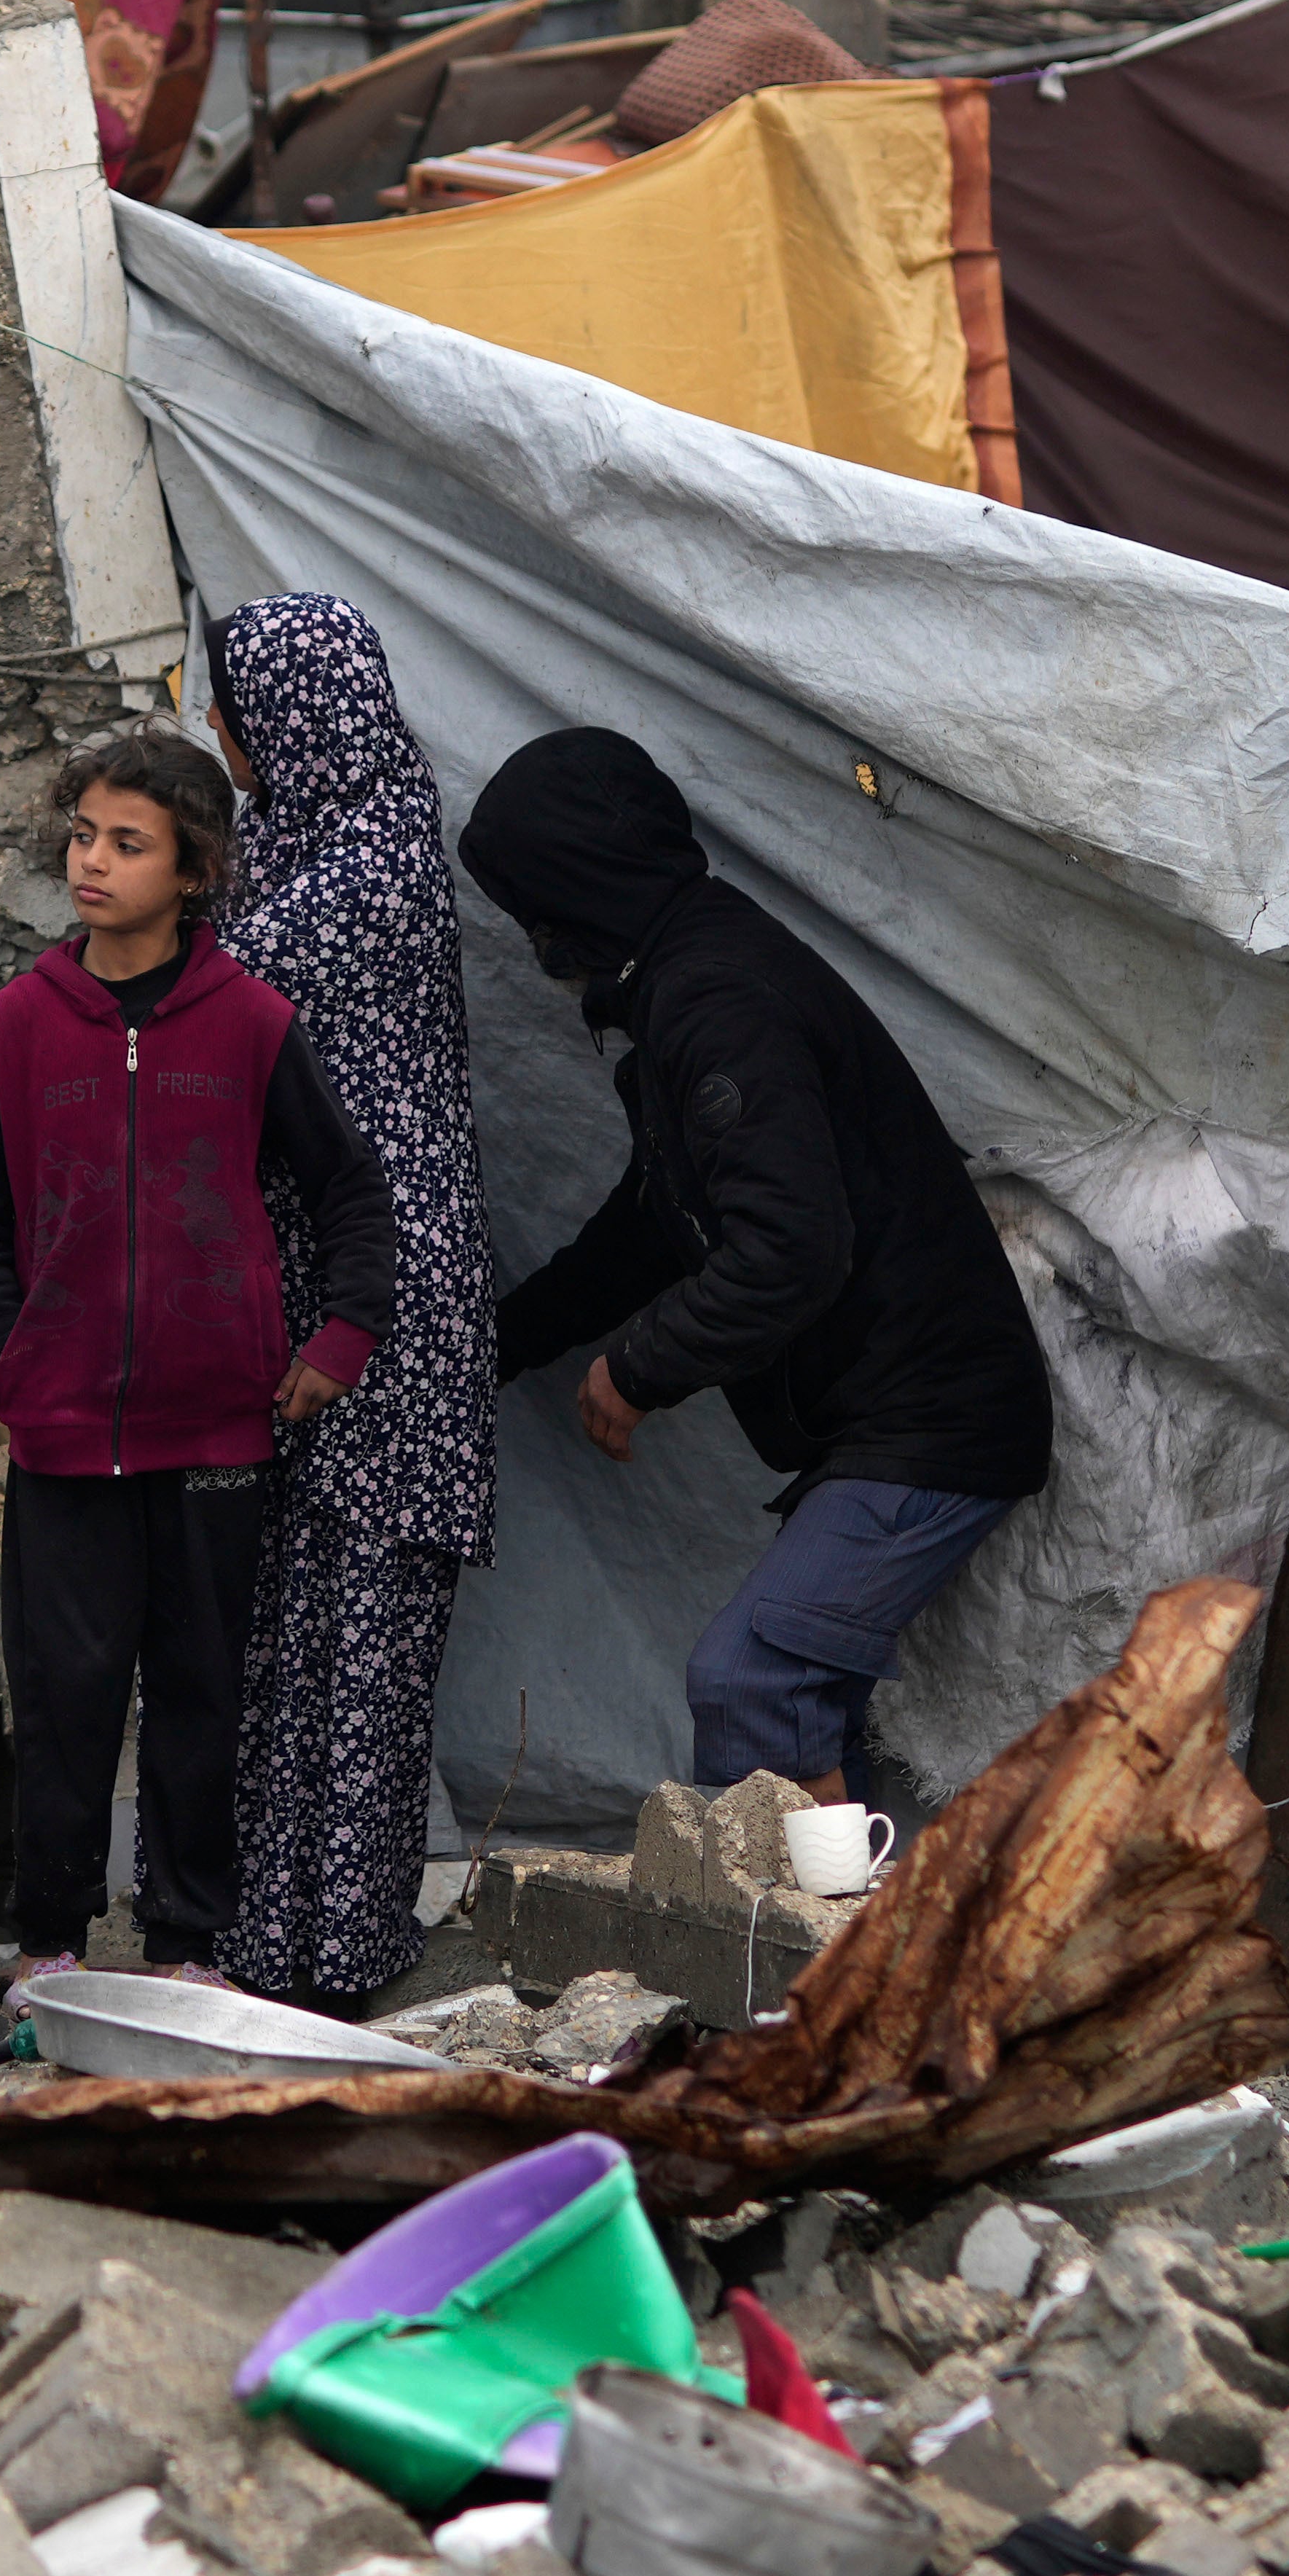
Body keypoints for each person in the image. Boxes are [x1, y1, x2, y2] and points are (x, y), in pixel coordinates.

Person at [456, 725, 1051, 1800]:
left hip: (934, 1417)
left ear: (574, 887)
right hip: (903, 1413)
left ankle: (778, 1966)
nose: (535, 939)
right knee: (800, 1708)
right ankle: (851, 1954)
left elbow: (790, 1249)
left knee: (751, 1685)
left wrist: (639, 1369)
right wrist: (490, 1348)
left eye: (532, 903)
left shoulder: (716, 1001)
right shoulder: (684, 977)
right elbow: (658, 1220)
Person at [0, 731, 399, 1980]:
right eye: (82, 833)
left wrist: (340, 1337)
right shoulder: (19, 1028)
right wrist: (9, 1355)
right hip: (66, 1431)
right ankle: (48, 1946)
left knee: (201, 1702)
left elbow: (351, 1191)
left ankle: (189, 1944)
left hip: (219, 1432)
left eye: (127, 843)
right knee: (65, 1698)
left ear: (195, 871)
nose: (92, 860)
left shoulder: (249, 1023)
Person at [203, 596, 498, 2006]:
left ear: (290, 724)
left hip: (393, 1296)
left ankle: (339, 1958)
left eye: (236, 713)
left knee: (363, 1629)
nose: (220, 736)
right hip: (320, 1275)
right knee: (298, 1618)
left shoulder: (368, 867)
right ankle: (281, 1943)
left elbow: (195, 998)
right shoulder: (300, 839)